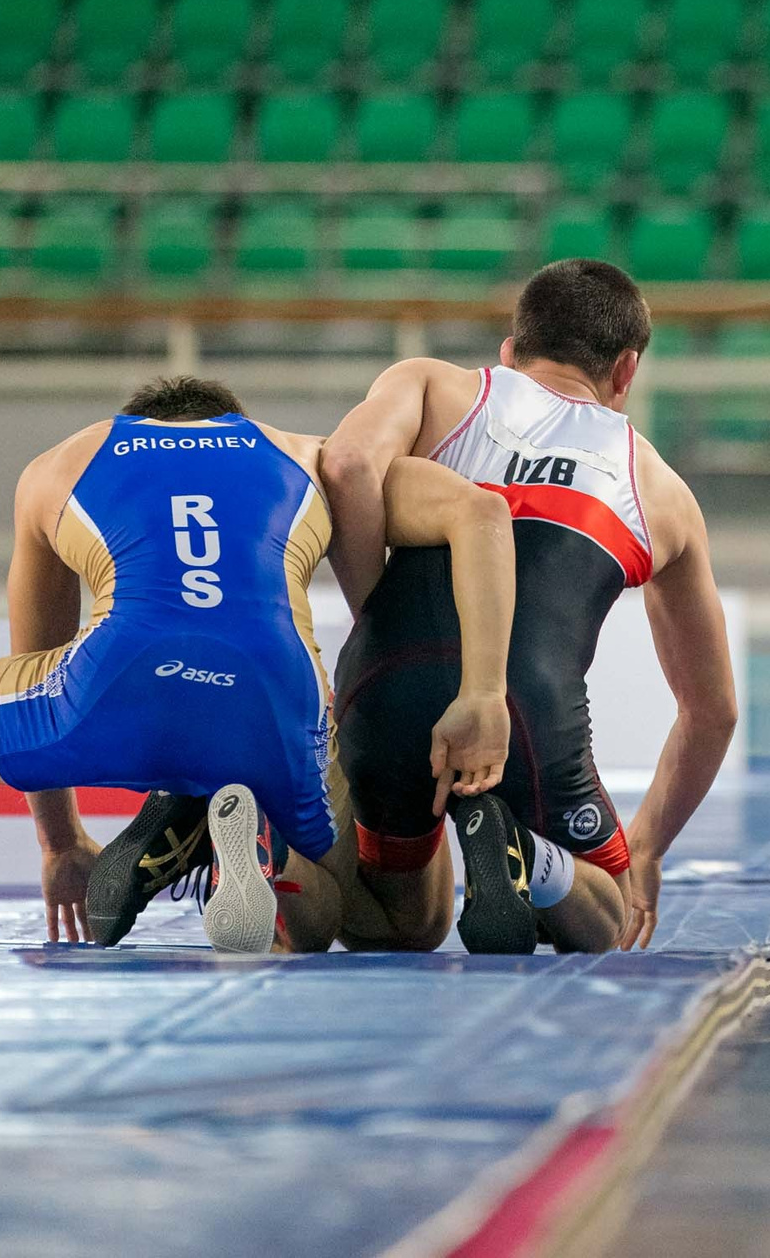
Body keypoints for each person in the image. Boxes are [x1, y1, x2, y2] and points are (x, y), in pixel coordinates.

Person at [0, 375, 518, 954]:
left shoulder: (58, 466)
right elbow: (480, 509)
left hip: (116, 682)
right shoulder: (308, 455)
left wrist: (60, 843)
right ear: (231, 417)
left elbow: (33, 652)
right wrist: (483, 688)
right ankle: (268, 852)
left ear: (139, 417)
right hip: (272, 698)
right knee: (372, 918)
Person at [315, 258, 739, 955]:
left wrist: (376, 619)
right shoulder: (660, 489)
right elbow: (711, 709)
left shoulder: (437, 386)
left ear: (510, 352)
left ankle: (280, 852)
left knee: (398, 923)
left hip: (386, 683)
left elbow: (346, 466)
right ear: (626, 371)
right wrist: (649, 848)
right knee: (603, 917)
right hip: (528, 715)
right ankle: (527, 856)